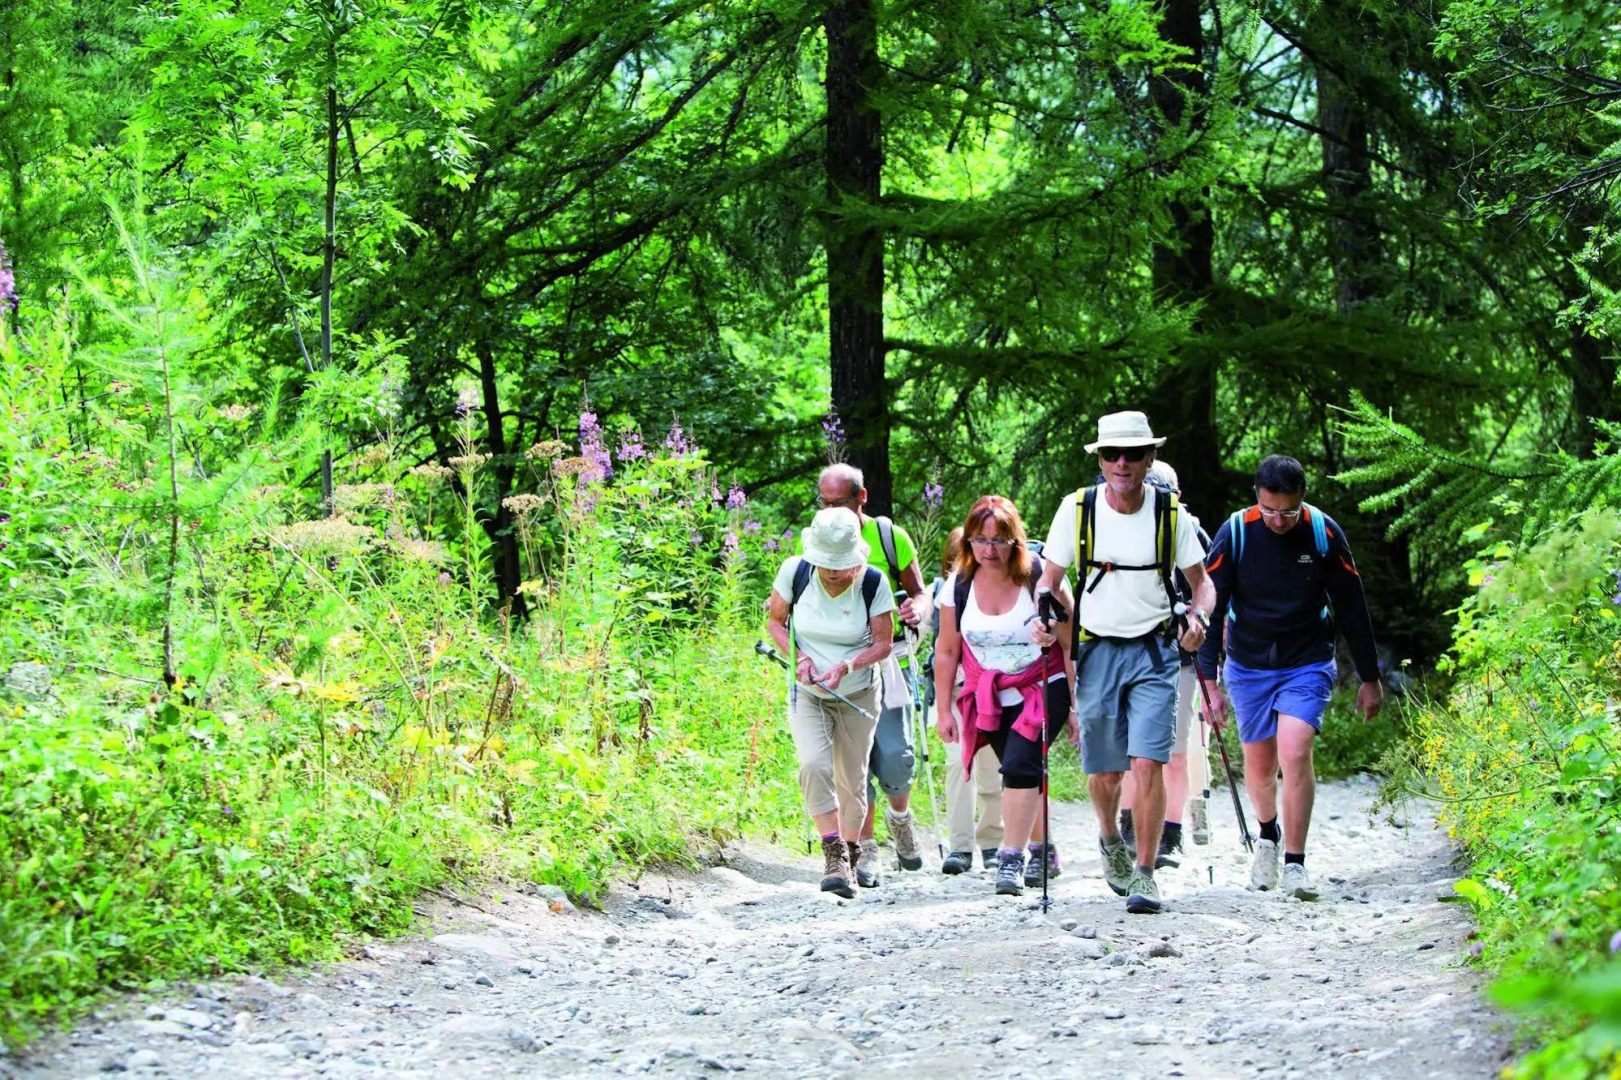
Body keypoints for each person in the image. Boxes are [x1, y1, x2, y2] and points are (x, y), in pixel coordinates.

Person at [1037, 411, 1213, 915]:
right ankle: (1109, 838)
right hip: (1095, 649)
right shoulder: (1077, 510)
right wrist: (1044, 610)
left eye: (1133, 454)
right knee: (1107, 772)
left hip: (1155, 650)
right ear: (1100, 459)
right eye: (1112, 454)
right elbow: (1049, 579)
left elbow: (1202, 582)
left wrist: (1198, 617)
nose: (1122, 463)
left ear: (1149, 459)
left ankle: (1145, 871)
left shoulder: (1170, 515)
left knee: (1148, 762)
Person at [1196, 455, 1385, 901]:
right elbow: (1210, 606)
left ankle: (1295, 863)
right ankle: (1267, 836)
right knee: (1260, 767)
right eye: (1270, 510)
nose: (1279, 520)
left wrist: (1369, 677)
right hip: (1249, 663)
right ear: (1257, 500)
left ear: (1302, 500)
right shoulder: (1237, 533)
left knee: (1295, 750)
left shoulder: (1323, 533)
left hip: (1307, 660)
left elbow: (1352, 605)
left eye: (1288, 511)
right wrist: (1209, 683)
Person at [934, 496, 1075, 896]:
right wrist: (945, 710)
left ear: (1016, 541)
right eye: (980, 540)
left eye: (999, 540)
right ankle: (1043, 848)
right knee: (1023, 775)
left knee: (1019, 766)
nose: (989, 550)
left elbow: (1069, 646)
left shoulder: (1040, 579)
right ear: (968, 543)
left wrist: (1077, 706)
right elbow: (946, 650)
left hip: (1043, 685)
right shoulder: (957, 586)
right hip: (989, 693)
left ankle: (1010, 860)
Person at [811, 464, 932, 886]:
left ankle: (900, 818)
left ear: (860, 498)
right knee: (852, 766)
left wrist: (917, 608)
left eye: (839, 502)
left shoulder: (888, 536)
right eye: (824, 503)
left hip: (889, 662)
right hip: (837, 668)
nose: (830, 511)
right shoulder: (818, 539)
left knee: (896, 759)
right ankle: (865, 849)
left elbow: (919, 591)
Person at [766, 507, 896, 898]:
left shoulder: (874, 583)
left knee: (852, 779)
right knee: (812, 764)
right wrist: (799, 658)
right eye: (825, 564)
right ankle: (833, 852)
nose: (831, 571)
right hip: (808, 692)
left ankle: (853, 854)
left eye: (838, 565)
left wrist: (847, 665)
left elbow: (884, 643)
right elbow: (776, 622)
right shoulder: (796, 572)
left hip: (857, 692)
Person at [1117, 460, 1213, 865]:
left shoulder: (1191, 533)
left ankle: (1169, 833)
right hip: (1124, 650)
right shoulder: (1114, 528)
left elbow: (1207, 593)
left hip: (1179, 658)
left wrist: (1198, 632)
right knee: (1126, 750)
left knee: (1173, 750)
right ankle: (1128, 827)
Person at [927, 527, 1005, 874]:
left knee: (992, 767)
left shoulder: (1002, 590)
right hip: (957, 693)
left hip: (994, 691)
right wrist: (943, 707)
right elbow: (942, 650)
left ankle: (991, 841)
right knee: (959, 765)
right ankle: (960, 846)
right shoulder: (946, 594)